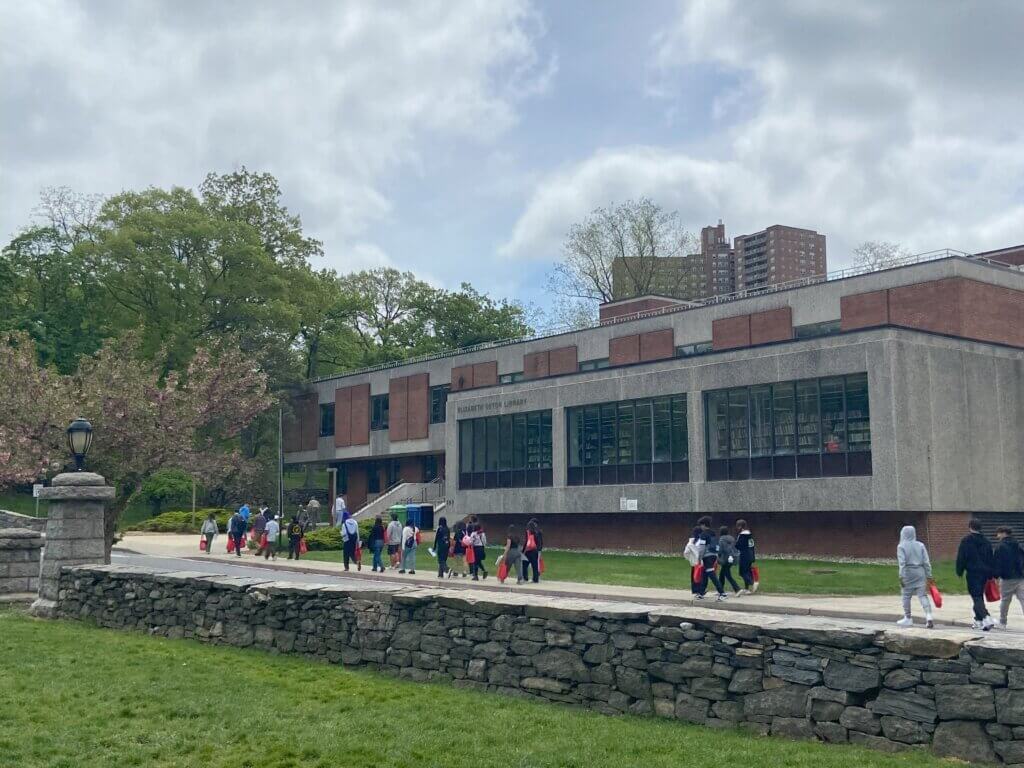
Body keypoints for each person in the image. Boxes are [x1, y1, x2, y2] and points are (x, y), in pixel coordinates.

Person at [956, 518, 996, 630]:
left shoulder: (966, 541)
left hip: (973, 572)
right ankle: (978, 620)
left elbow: (961, 557)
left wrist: (959, 570)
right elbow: (990, 558)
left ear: (970, 527)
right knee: (979, 595)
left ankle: (986, 618)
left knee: (976, 596)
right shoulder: (986, 541)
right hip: (984, 573)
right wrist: (990, 573)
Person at [896, 525, 934, 628]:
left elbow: (902, 563)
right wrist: (929, 576)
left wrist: (901, 577)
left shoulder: (901, 546)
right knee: (922, 595)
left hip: (908, 573)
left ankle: (908, 618)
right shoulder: (921, 545)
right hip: (920, 572)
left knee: (906, 596)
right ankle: (929, 616)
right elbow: (926, 562)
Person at [993, 526, 1024, 630]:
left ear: (1003, 533)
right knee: (1023, 599)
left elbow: (997, 563)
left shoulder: (1000, 547)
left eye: (998, 533)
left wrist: (996, 576)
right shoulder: (1018, 545)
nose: (997, 536)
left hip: (1007, 578)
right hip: (1020, 577)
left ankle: (1002, 622)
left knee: (1005, 601)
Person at [695, 516, 726, 601]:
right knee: (705, 574)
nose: (701, 527)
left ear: (704, 525)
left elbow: (701, 548)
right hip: (713, 555)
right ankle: (701, 593)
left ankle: (722, 593)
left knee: (712, 575)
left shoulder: (703, 535)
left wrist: (699, 558)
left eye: (701, 525)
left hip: (707, 556)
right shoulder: (713, 533)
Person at [735, 520, 758, 594]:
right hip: (750, 555)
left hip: (744, 555)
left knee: (742, 572)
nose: (737, 528)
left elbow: (738, 546)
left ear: (740, 526)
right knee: (747, 572)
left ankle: (752, 583)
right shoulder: (750, 535)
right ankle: (747, 589)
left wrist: (736, 544)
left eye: (738, 526)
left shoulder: (742, 536)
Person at [717, 526, 741, 594]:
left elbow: (720, 550)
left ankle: (737, 589)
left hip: (725, 559)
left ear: (721, 532)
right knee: (722, 573)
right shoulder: (732, 538)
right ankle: (720, 590)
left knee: (727, 575)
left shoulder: (721, 539)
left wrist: (718, 556)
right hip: (733, 558)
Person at [522, 519, 543, 584]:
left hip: (528, 551)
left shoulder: (527, 532)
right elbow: (539, 543)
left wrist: (523, 551)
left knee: (524, 565)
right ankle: (535, 579)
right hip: (535, 551)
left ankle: (525, 578)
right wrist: (538, 550)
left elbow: (526, 542)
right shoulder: (537, 532)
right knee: (535, 566)